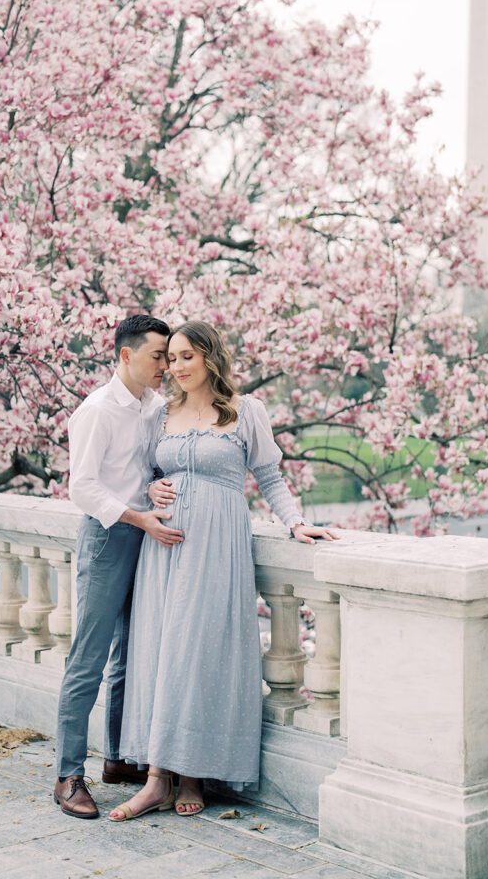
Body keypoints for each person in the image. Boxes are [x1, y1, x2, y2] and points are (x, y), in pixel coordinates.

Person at [109, 320, 338, 821]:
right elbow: (146, 474)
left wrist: (297, 523)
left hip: (216, 548)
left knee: (200, 651)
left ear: (210, 356)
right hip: (164, 549)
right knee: (162, 651)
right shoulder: (160, 414)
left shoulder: (244, 411)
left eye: (186, 356)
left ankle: (192, 773)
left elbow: (270, 475)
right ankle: (156, 779)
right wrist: (152, 492)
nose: (175, 367)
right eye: (170, 358)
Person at [53, 314, 185, 820]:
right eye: (158, 356)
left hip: (149, 536)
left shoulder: (156, 407)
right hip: (109, 537)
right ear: (126, 355)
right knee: (88, 659)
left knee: (131, 652)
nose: (166, 367)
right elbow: (82, 488)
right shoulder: (97, 411)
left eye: (169, 357)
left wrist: (154, 494)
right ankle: (68, 775)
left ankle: (119, 758)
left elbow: (152, 467)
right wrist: (139, 517)